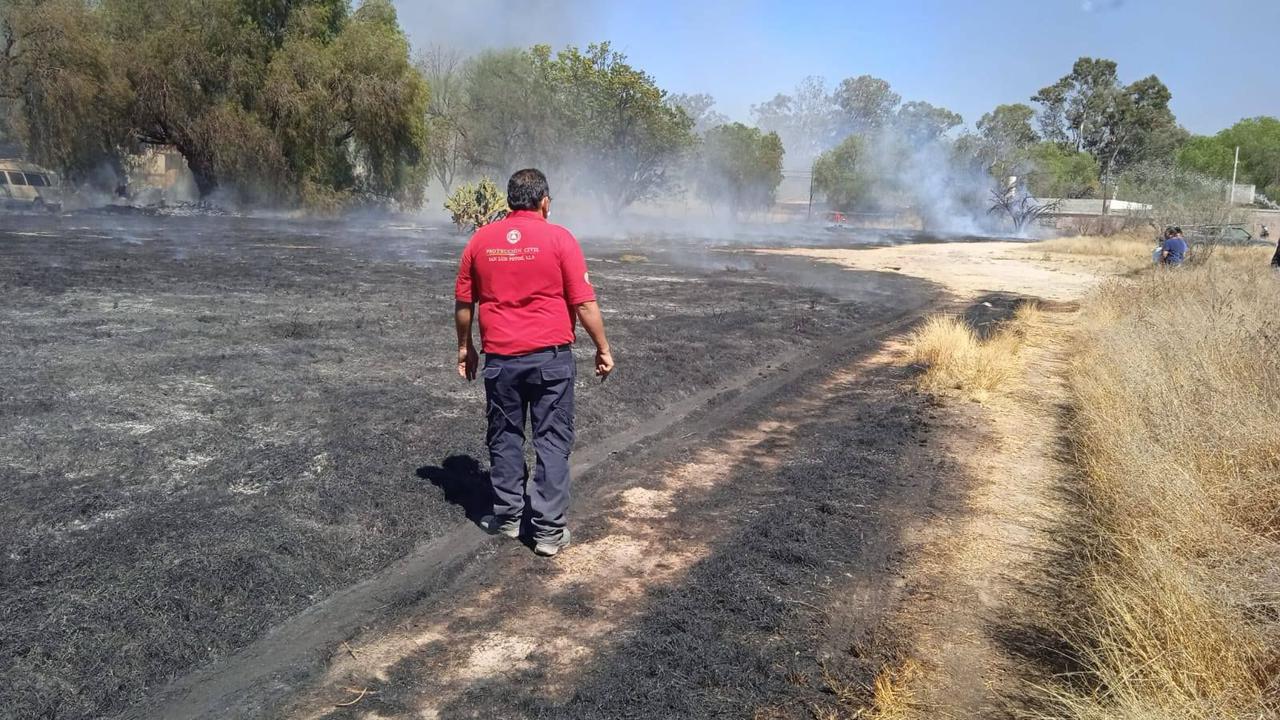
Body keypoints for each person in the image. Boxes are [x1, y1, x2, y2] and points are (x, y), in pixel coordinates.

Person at [454, 168, 614, 557]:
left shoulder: (481, 240)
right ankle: (547, 532)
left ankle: (508, 518)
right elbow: (584, 302)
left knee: (504, 435)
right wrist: (602, 347)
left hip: (500, 361)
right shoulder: (560, 239)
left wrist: (465, 348)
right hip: (550, 361)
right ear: (544, 200)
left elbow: (464, 303)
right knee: (552, 441)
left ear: (509, 201)